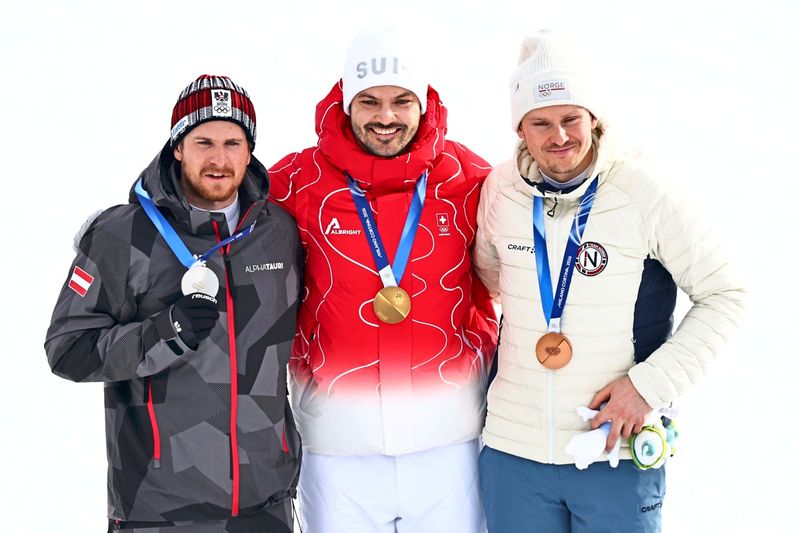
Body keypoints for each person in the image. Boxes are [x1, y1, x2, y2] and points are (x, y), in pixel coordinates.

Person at [473, 31, 747, 532]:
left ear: (594, 117)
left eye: (571, 118)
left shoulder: (643, 190)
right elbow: (487, 285)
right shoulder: (500, 192)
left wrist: (647, 386)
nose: (559, 136)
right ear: (520, 129)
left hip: (613, 449)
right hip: (514, 454)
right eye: (541, 122)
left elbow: (726, 293)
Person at [45, 75, 303, 533]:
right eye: (203, 142)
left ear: (250, 151)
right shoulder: (122, 236)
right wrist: (165, 333)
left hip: (266, 504)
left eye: (232, 143)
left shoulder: (279, 232)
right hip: (160, 509)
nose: (219, 159)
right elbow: (68, 349)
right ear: (178, 147)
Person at [268, 30, 498, 533]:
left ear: (424, 102)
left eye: (402, 101)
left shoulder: (471, 178)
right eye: (369, 101)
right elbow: (216, 217)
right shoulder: (296, 181)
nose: (386, 116)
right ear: (346, 102)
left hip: (450, 442)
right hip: (337, 447)